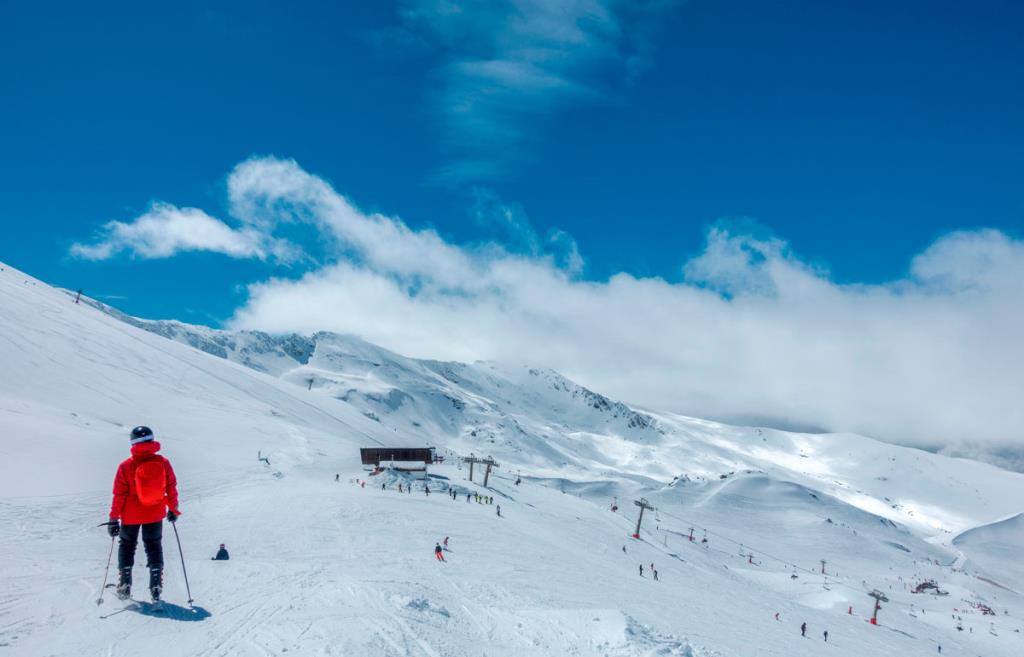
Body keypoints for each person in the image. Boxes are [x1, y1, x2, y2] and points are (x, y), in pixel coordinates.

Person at [107, 426, 180, 602]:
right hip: (154, 513)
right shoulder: (163, 462)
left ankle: (124, 585)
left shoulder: (126, 465)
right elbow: (171, 487)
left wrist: (113, 518)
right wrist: (173, 509)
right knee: (154, 546)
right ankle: (156, 587)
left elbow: (119, 494)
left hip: (130, 516)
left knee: (127, 546)